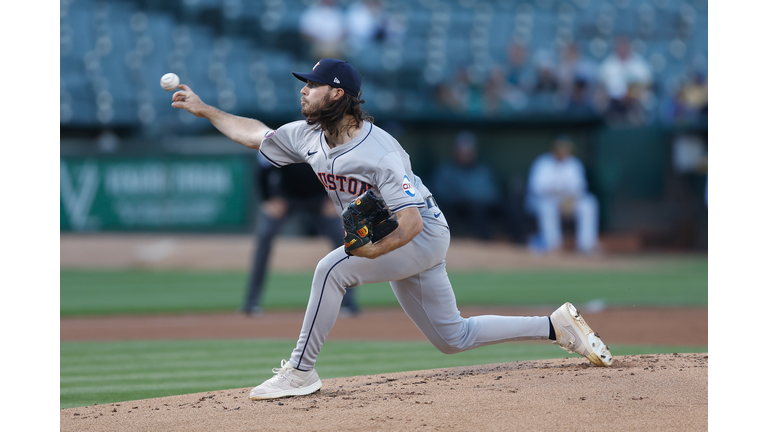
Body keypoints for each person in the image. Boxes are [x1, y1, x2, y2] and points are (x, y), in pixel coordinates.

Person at [170, 58, 614, 401]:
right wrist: (205, 109)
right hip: (397, 239)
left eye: (312, 85)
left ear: (338, 94)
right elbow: (257, 135)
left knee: (331, 268)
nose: (303, 91)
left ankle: (300, 373)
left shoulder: (381, 151)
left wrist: (366, 254)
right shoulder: (308, 135)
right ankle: (555, 327)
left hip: (420, 235)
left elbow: (411, 222)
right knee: (452, 338)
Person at [241, 154, 360, 317]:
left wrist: (337, 199)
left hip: (321, 198)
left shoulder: (329, 139)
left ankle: (350, 304)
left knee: (343, 240)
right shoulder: (287, 138)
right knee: (265, 235)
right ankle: (251, 303)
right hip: (285, 196)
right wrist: (267, 199)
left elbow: (346, 172)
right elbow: (263, 168)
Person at [525, 136, 599, 254]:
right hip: (545, 201)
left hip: (568, 201)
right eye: (560, 148)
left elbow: (580, 188)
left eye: (566, 148)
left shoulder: (574, 164)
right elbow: (537, 189)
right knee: (547, 207)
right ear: (554, 149)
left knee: (589, 203)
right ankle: (552, 245)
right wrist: (559, 197)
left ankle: (586, 245)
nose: (563, 151)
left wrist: (569, 200)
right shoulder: (543, 163)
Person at [430, 131, 502, 241]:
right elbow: (440, 193)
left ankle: (518, 242)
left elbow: (493, 193)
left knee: (494, 207)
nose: (465, 155)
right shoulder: (446, 169)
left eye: (468, 152)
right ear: (455, 151)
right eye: (462, 151)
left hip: (482, 207)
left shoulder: (482, 170)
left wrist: (477, 198)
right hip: (457, 207)